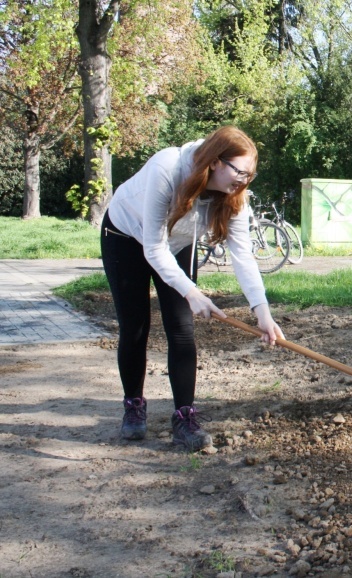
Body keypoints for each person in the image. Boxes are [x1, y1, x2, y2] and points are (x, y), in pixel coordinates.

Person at [101, 126, 284, 450]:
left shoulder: (234, 196)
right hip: (127, 237)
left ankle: (184, 417)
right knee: (135, 326)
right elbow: (153, 249)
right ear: (215, 162)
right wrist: (192, 292)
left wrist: (263, 312)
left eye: (249, 175)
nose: (243, 180)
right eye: (239, 171)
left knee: (183, 329)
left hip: (177, 241)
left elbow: (243, 256)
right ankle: (133, 406)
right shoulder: (167, 169)